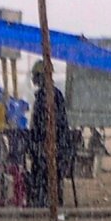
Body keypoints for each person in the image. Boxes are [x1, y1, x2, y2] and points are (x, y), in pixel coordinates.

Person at [28, 60, 70, 208]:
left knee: (45, 178)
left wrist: (39, 143)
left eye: (36, 76)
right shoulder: (51, 94)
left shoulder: (48, 96)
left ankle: (45, 205)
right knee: (48, 180)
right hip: (52, 147)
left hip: (49, 148)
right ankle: (48, 204)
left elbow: (46, 125)